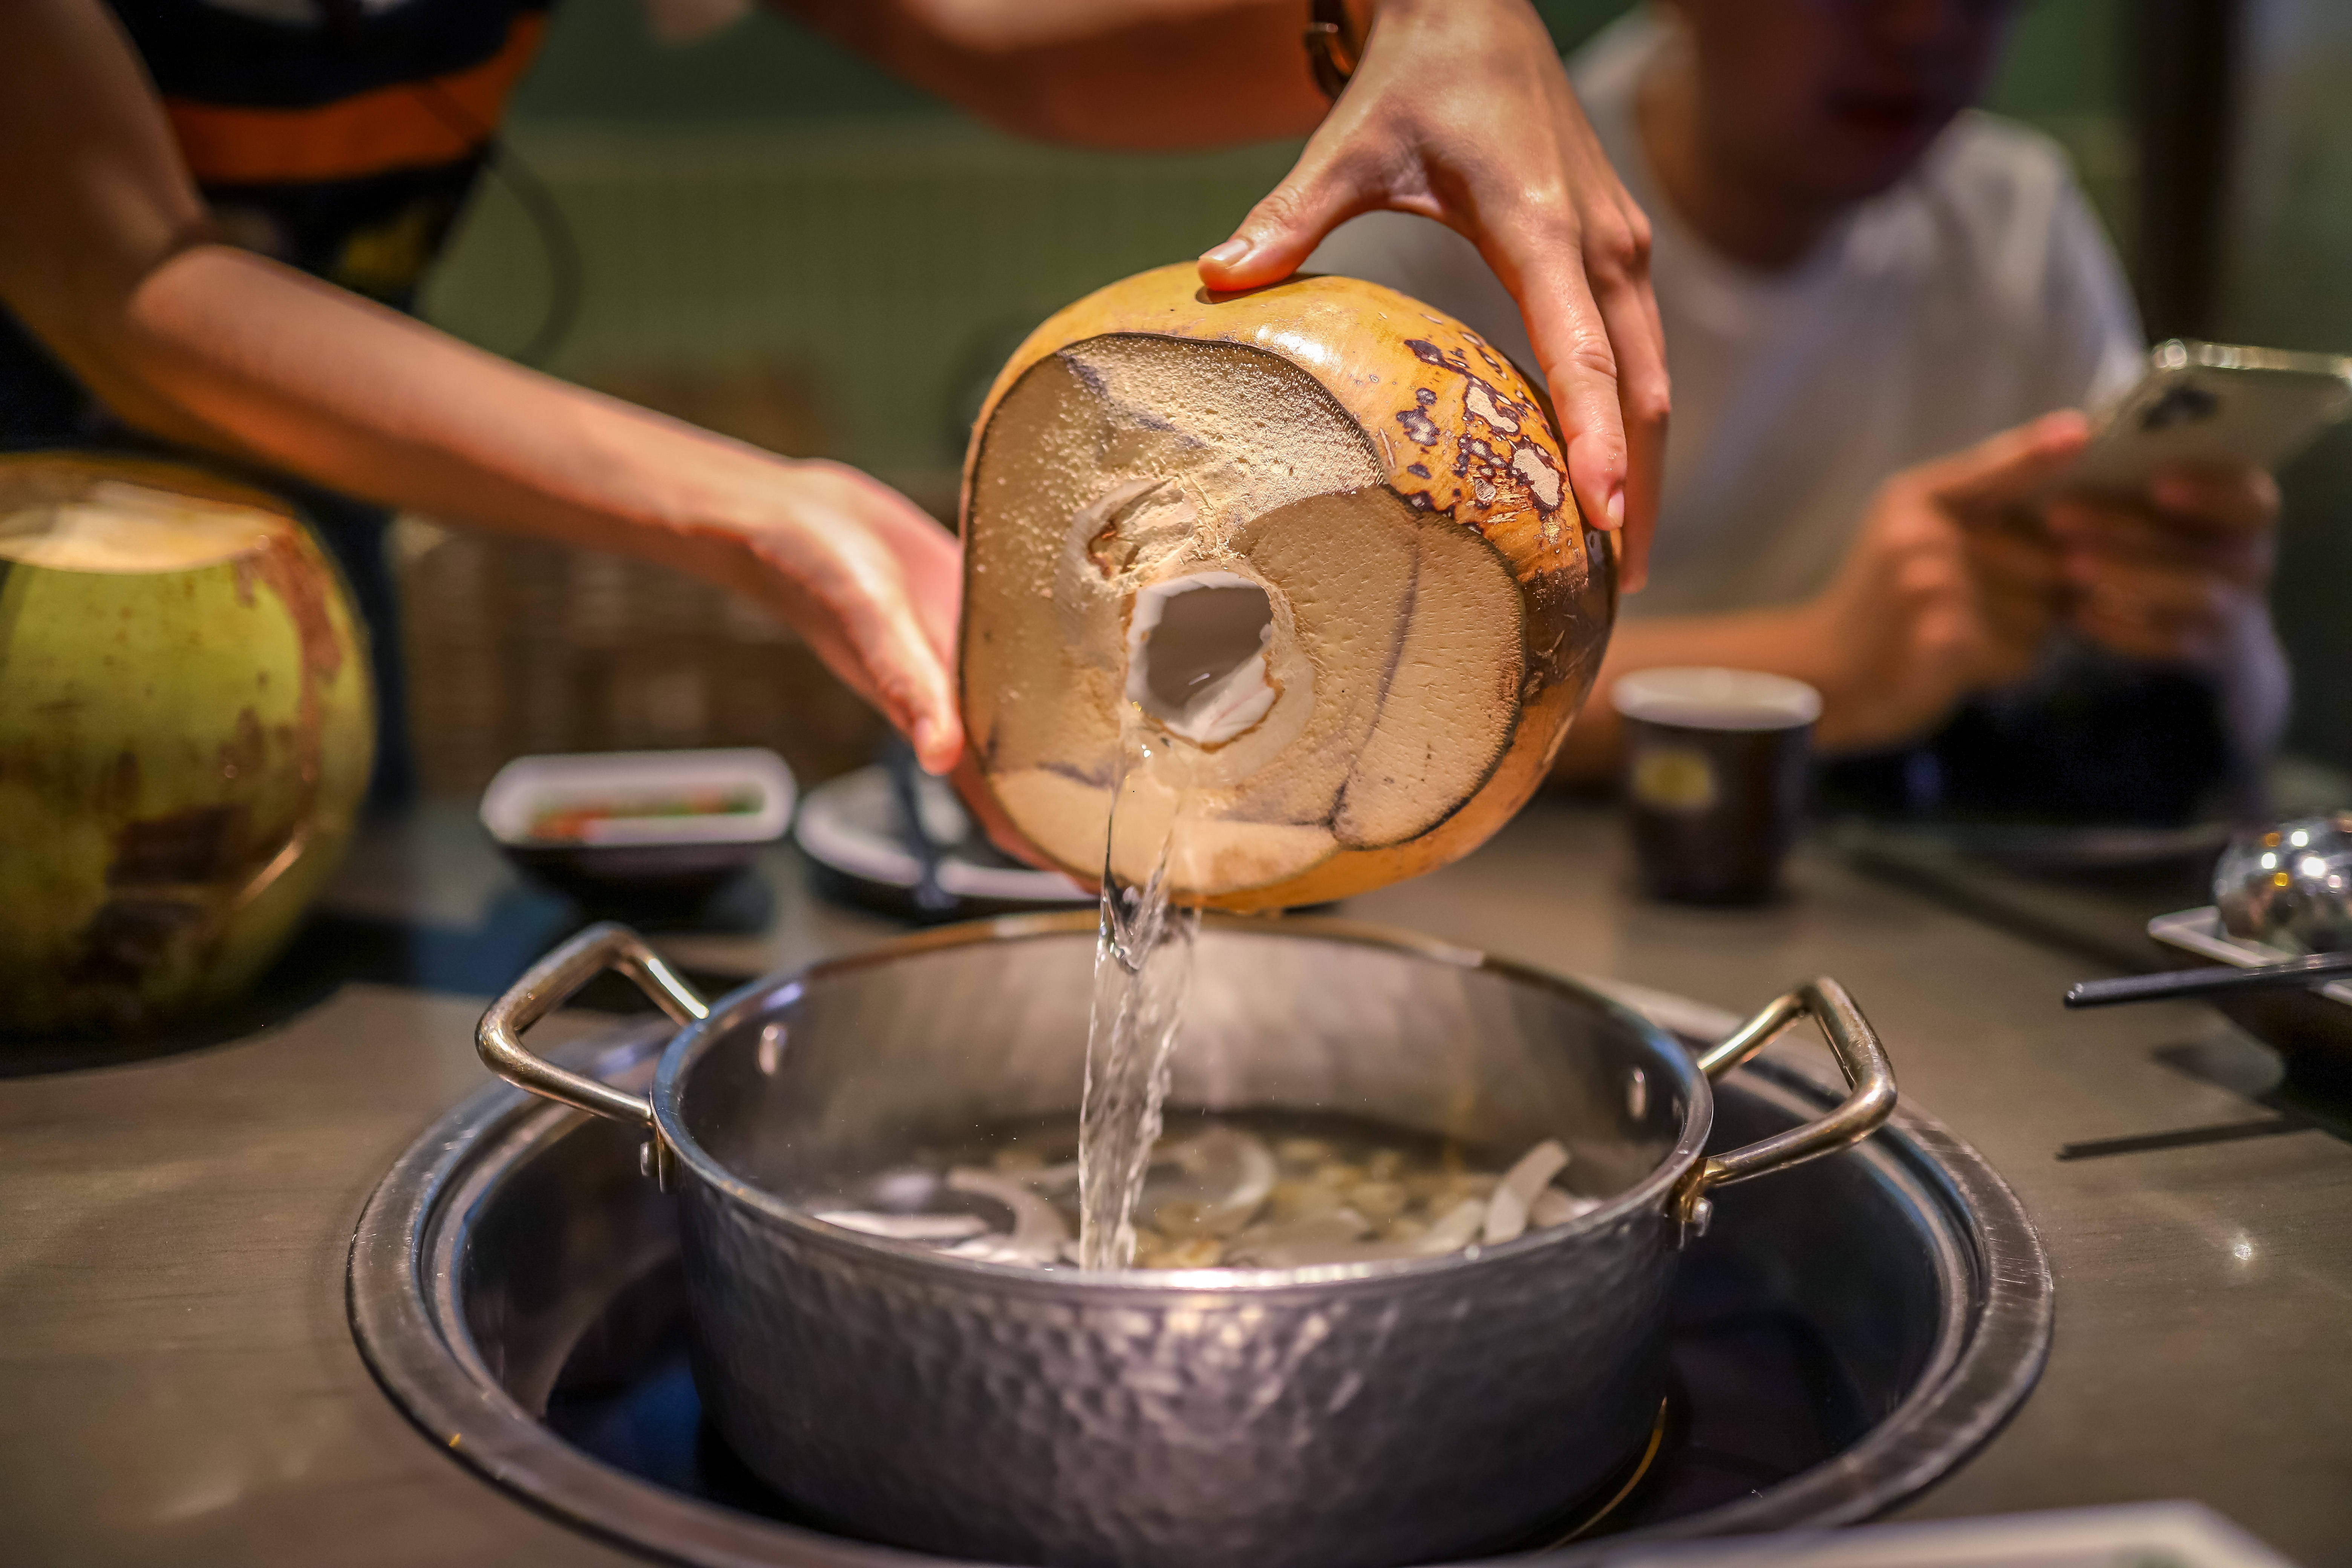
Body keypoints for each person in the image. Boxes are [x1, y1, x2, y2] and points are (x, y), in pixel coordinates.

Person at [0, 0, 1666, 801]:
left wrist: (1405, 10)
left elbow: (1007, 36)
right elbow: (119, 276)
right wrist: (764, 511)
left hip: (290, 514)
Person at [1312, 0, 2287, 822]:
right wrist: (1821, 666)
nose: (1925, 24)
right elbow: (1336, 691)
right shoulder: (1459, 203)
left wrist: (2191, 614)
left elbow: (2255, 719)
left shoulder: (2016, 225)